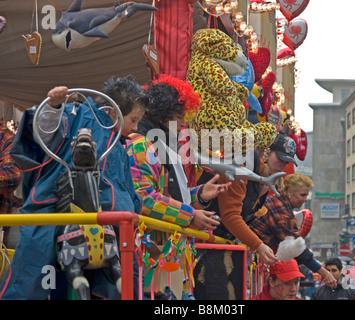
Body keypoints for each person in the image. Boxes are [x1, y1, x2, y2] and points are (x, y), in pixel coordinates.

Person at [0, 75, 146, 300]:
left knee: (127, 264)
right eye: (134, 120)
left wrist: (134, 207)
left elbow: (125, 186)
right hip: (55, 202)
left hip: (111, 217)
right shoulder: (78, 114)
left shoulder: (119, 145)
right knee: (34, 253)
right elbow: (45, 132)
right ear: (114, 111)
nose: (135, 128)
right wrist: (54, 106)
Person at [125, 74, 231, 232]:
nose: (183, 123)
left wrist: (199, 194)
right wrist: (190, 216)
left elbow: (168, 194)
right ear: (162, 115)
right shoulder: (141, 145)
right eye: (179, 117)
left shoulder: (164, 147)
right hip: (151, 248)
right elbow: (144, 197)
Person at [199, 132, 298, 266]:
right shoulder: (241, 168)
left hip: (215, 243)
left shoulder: (265, 181)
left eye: (286, 162)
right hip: (199, 239)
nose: (282, 165)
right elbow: (231, 216)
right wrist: (258, 245)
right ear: (267, 152)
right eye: (280, 159)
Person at [249, 173, 337, 288]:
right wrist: (324, 273)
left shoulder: (277, 201)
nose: (305, 199)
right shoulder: (281, 209)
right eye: (302, 195)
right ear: (289, 192)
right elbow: (296, 249)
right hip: (250, 259)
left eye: (306, 195)